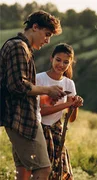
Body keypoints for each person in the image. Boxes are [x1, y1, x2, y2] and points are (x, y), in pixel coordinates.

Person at [0, 10, 67, 180]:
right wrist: (47, 89)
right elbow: (18, 85)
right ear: (35, 27)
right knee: (43, 168)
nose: (47, 40)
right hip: (20, 119)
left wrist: (45, 95)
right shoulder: (18, 47)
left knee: (23, 170)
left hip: (20, 117)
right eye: (47, 34)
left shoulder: (24, 48)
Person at [37, 43, 83, 180]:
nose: (61, 65)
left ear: (70, 64)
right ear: (51, 59)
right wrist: (67, 105)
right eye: (58, 60)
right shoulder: (39, 79)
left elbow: (72, 118)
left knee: (59, 171)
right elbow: (40, 111)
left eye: (66, 62)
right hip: (40, 130)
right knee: (42, 170)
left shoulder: (69, 84)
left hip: (57, 131)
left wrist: (75, 105)